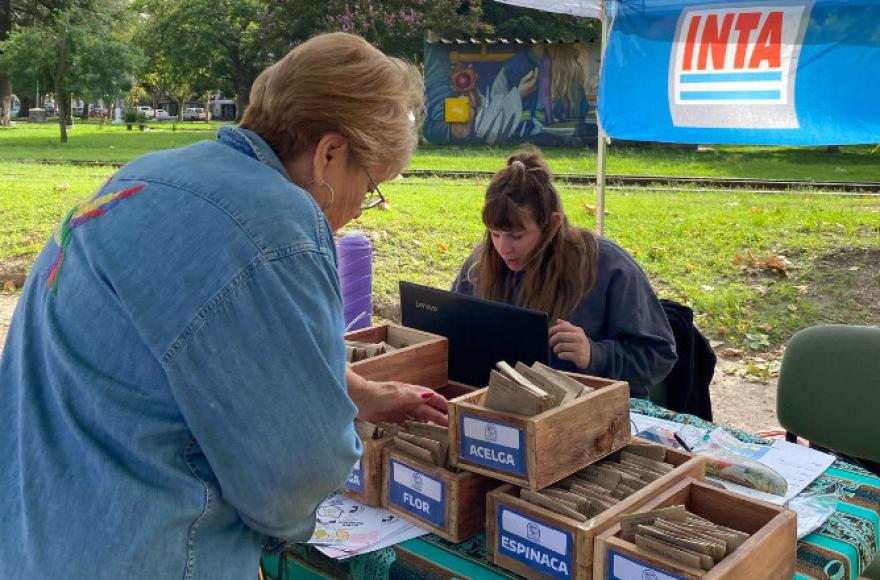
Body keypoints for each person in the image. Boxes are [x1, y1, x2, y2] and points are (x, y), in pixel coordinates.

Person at [0, 33, 445, 579]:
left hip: (37, 536)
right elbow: (295, 476)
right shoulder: (277, 222)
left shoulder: (149, 174)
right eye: (371, 185)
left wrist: (358, 393)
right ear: (330, 154)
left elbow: (195, 342)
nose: (361, 208)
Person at [452, 151, 677, 398]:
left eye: (517, 236)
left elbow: (659, 355)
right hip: (504, 404)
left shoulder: (607, 265)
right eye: (495, 234)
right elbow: (449, 330)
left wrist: (593, 355)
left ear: (553, 223)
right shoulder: (481, 262)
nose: (503, 248)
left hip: (593, 409)